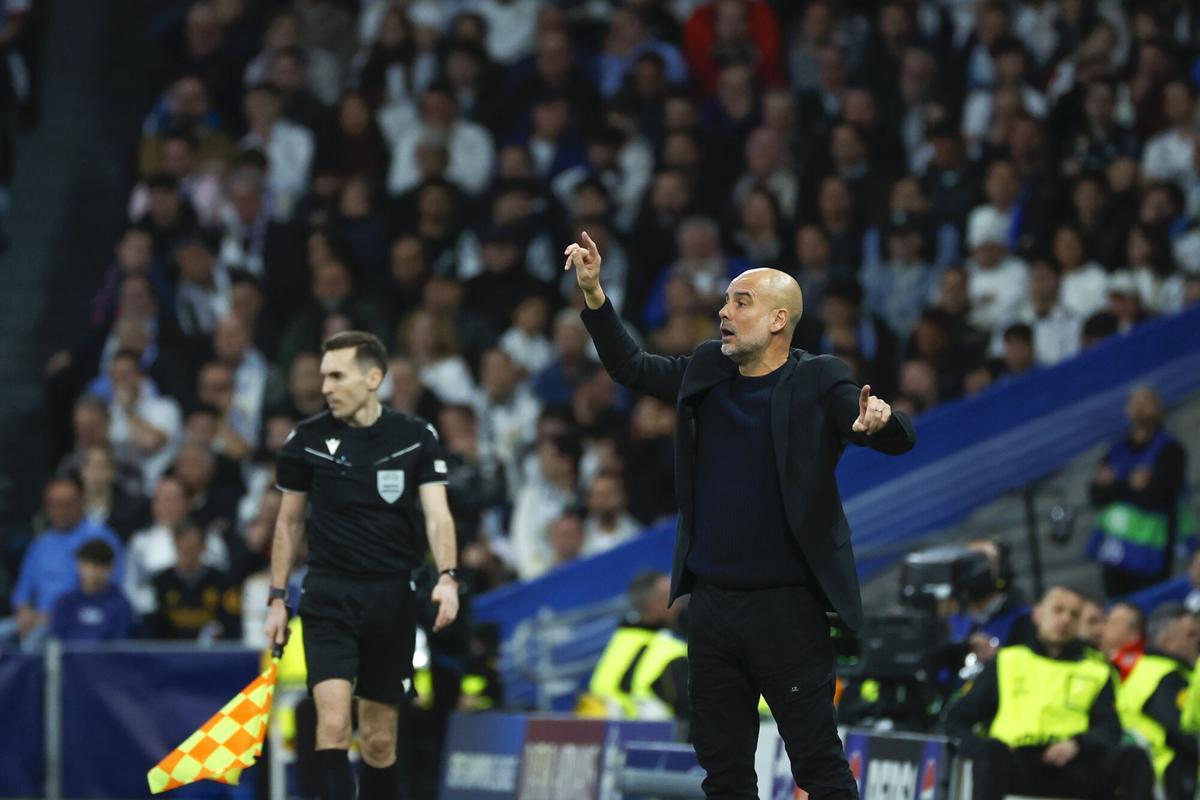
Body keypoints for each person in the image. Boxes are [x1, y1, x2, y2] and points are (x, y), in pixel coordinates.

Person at [566, 231, 916, 797]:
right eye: (726, 301)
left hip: (788, 610)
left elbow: (884, 431)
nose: (723, 312)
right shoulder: (708, 367)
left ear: (778, 320)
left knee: (818, 769)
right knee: (723, 775)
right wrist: (594, 295)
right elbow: (632, 367)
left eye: (740, 302)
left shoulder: (819, 377)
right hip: (711, 610)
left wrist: (881, 422)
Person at [263, 331, 459, 800]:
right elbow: (288, 523)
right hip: (328, 596)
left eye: (337, 376)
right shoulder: (306, 439)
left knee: (378, 739)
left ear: (373, 379)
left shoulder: (415, 437)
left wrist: (447, 577)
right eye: (323, 376)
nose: (325, 387)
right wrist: (277, 598)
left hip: (391, 598)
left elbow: (438, 516)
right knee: (332, 724)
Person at [945, 586, 1154, 800]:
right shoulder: (1007, 661)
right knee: (991, 754)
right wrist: (981, 749)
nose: (1065, 619)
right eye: (1058, 610)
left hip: (1074, 764)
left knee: (1133, 758)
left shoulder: (1097, 671)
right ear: (1037, 614)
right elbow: (956, 718)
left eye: (1074, 615)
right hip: (1017, 761)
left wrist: (1078, 744)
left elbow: (1108, 729)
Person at [1087, 386, 1193, 597]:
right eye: (1135, 402)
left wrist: (1117, 484)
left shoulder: (1171, 451)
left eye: (1146, 402)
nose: (1140, 407)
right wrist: (1130, 482)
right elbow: (1097, 494)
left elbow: (1156, 495)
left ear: (1159, 408)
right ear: (1127, 410)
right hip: (1116, 551)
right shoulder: (1117, 450)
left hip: (1153, 550)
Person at [1115, 603, 1200, 800]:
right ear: (1166, 643)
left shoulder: (1147, 670)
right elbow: (1189, 735)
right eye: (1191, 635)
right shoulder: (1164, 677)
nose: (1198, 640)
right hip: (1167, 781)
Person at [588, 571, 688, 720]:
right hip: (658, 732)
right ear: (655, 605)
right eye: (672, 595)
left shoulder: (621, 638)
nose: (679, 602)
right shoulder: (670, 652)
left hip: (610, 730)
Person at [48, 539, 134, 642]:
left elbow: (120, 644)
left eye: (97, 566)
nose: (91, 572)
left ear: (110, 568)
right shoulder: (64, 603)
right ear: (78, 565)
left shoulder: (120, 604)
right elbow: (56, 641)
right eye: (86, 564)